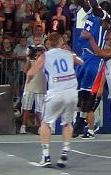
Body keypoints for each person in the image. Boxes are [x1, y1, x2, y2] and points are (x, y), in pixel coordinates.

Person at [28, 33, 83, 168]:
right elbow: (81, 62)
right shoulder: (69, 53)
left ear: (48, 44)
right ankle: (65, 150)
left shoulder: (45, 56)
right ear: (61, 42)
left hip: (56, 92)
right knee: (67, 123)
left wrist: (28, 82)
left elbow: (30, 73)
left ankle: (46, 156)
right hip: (71, 92)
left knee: (45, 123)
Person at [74, 0, 111, 140]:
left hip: (95, 58)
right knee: (80, 91)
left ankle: (83, 122)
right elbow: (83, 2)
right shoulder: (92, 16)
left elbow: (94, 4)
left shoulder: (105, 17)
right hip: (84, 56)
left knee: (88, 93)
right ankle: (79, 119)